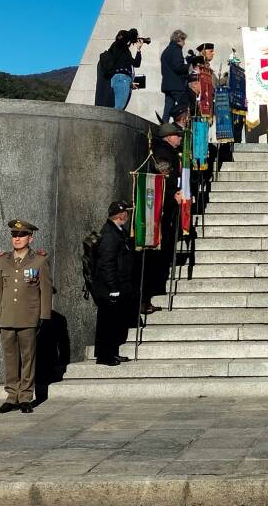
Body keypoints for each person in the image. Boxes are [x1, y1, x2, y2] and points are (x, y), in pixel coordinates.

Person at [0, 219, 52, 414]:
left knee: (28, 357)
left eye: (21, 235)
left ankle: (26, 396)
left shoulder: (39, 260)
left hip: (28, 316)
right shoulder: (3, 260)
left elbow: (44, 289)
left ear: (30, 237)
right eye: (14, 235)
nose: (17, 239)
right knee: (10, 358)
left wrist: (44, 316)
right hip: (8, 316)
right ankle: (12, 396)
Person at [145, 123, 184, 314]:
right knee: (162, 248)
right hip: (163, 206)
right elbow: (163, 179)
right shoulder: (162, 152)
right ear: (168, 136)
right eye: (177, 135)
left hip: (169, 203)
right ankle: (156, 287)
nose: (180, 138)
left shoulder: (169, 151)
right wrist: (171, 199)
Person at [92, 201, 137, 366]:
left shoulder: (118, 231)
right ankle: (105, 356)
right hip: (110, 288)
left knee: (115, 323)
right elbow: (107, 263)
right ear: (121, 214)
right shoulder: (109, 234)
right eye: (126, 212)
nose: (127, 215)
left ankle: (112, 352)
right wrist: (113, 288)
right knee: (107, 323)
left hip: (120, 286)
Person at [106, 29, 145, 111]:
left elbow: (136, 63)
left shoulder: (125, 51)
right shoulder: (118, 46)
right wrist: (133, 34)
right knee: (118, 109)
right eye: (136, 37)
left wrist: (138, 49)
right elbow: (120, 39)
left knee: (118, 108)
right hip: (121, 79)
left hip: (124, 80)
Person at [161, 29, 190, 123]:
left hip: (167, 86)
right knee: (185, 106)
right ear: (178, 39)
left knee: (167, 111)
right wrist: (190, 66)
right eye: (183, 40)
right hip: (176, 85)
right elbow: (178, 67)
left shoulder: (166, 51)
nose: (184, 43)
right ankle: (182, 127)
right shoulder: (176, 50)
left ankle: (163, 128)